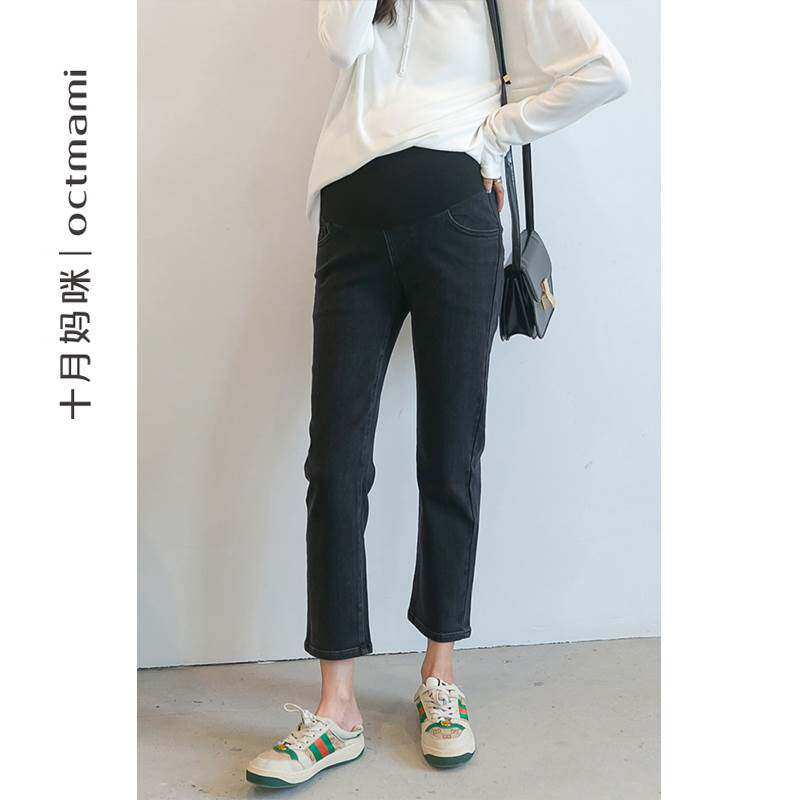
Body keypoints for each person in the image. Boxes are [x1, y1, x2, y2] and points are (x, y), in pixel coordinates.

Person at [247, 0, 630, 787]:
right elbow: (340, 43)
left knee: (451, 454)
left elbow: (605, 70)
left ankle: (439, 674)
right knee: (335, 464)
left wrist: (494, 136)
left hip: (456, 222)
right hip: (352, 225)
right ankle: (337, 708)